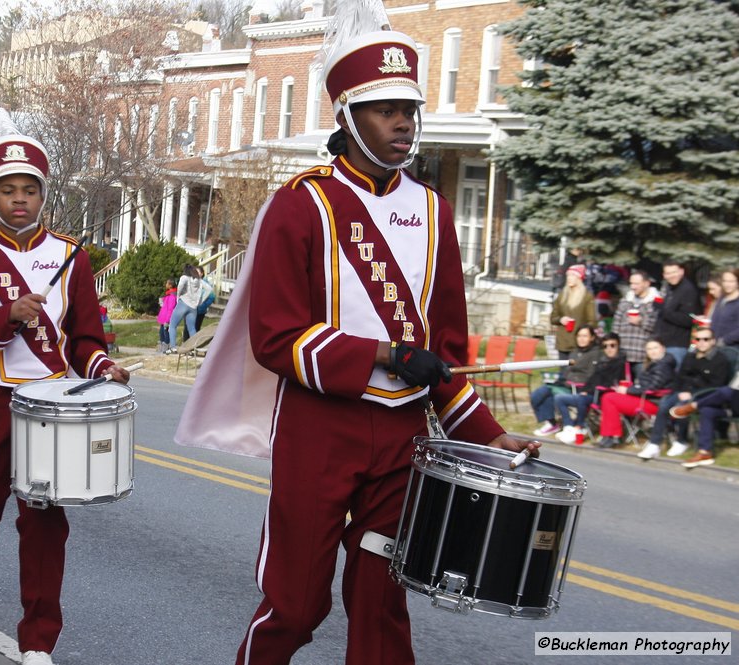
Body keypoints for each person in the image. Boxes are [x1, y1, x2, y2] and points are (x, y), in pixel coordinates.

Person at [175, 17, 538, 664]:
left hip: (403, 437)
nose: (403, 122)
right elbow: (276, 338)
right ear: (347, 113)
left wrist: (488, 436)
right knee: (295, 605)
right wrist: (379, 353)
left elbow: (443, 354)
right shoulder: (300, 204)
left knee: (382, 606)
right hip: (319, 429)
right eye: (385, 110)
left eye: (410, 109)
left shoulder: (434, 211)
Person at [0, 107, 132, 665]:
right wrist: (8, 316)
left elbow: (86, 338)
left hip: (53, 403)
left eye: (30, 190)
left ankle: (39, 637)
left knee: (44, 523)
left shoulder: (72, 257)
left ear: (43, 195)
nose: (20, 200)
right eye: (8, 190)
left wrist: (102, 370)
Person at [636, 327, 731, 459]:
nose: (701, 342)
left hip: (704, 395)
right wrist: (679, 390)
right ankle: (654, 443)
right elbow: (679, 377)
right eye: (698, 339)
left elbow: (717, 385)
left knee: (682, 404)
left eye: (706, 339)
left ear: (713, 341)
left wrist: (692, 392)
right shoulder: (690, 356)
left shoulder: (720, 360)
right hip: (683, 391)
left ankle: (682, 440)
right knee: (664, 404)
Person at [595, 338, 676, 448]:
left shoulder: (663, 366)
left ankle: (611, 436)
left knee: (609, 398)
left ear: (663, 348)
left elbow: (653, 387)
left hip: (655, 403)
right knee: (609, 398)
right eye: (649, 349)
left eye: (655, 348)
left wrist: (628, 390)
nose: (652, 351)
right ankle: (610, 436)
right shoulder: (656, 363)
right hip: (646, 399)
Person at [553, 332, 629, 444]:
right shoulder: (602, 361)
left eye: (612, 345)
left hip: (603, 396)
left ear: (618, 346)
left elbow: (612, 383)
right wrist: (585, 390)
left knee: (581, 399)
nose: (609, 349)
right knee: (559, 398)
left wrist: (589, 391)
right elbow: (592, 380)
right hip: (590, 394)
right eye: (605, 346)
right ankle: (569, 427)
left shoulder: (621, 363)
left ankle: (580, 427)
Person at [532, 325, 602, 436]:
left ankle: (564, 425)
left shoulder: (596, 354)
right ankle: (551, 422)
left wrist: (573, 380)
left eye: (585, 336)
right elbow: (566, 371)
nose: (581, 339)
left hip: (579, 388)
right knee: (537, 394)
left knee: (550, 394)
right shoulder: (574, 352)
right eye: (579, 336)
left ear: (592, 337)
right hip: (565, 383)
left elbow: (591, 375)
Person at [670, 371, 739, 467]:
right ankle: (705, 452)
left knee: (725, 391)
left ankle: (693, 406)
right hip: (732, 407)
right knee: (707, 411)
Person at [652, 261, 700, 366]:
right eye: (668, 273)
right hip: (663, 342)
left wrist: (663, 310)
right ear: (664, 275)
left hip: (677, 344)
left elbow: (688, 319)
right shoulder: (669, 287)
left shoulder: (688, 290)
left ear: (681, 272)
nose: (671, 276)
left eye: (674, 272)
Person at [611, 270, 658, 376]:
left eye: (636, 284)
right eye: (631, 283)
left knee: (641, 384)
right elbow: (616, 325)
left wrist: (641, 321)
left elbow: (657, 327)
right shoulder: (625, 300)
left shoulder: (655, 302)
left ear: (646, 283)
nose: (633, 287)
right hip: (623, 353)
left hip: (642, 354)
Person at [550, 264, 597, 359]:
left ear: (579, 278)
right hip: (562, 342)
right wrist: (560, 320)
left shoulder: (587, 297)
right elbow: (552, 318)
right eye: (568, 275)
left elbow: (592, 321)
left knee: (575, 371)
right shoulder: (562, 296)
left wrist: (584, 335)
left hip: (578, 344)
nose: (569, 278)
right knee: (563, 372)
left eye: (573, 275)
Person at [165, 264, 203, 353]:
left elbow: (180, 286)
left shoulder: (184, 277)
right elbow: (203, 292)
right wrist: (198, 302)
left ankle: (173, 347)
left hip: (183, 303)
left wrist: (178, 297)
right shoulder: (199, 281)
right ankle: (194, 348)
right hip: (193, 307)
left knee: (172, 325)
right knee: (192, 328)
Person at [709, 269, 739, 348]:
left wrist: (724, 341)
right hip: (714, 346)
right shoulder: (722, 299)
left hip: (732, 348)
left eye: (731, 281)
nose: (727, 284)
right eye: (725, 281)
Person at [156, 278, 177, 353]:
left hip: (166, 319)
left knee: (165, 333)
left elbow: (170, 309)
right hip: (163, 318)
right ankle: (162, 347)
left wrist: (167, 320)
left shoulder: (172, 296)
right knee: (161, 333)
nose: (166, 285)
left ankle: (166, 348)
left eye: (167, 283)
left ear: (170, 285)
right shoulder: (168, 294)